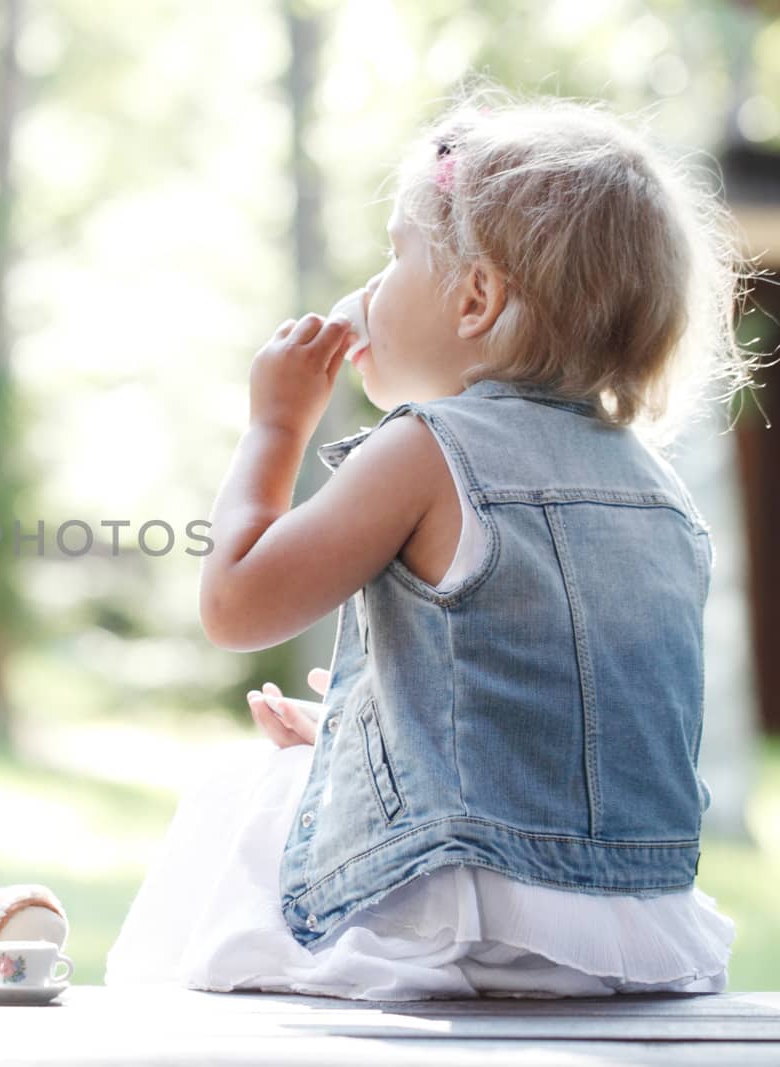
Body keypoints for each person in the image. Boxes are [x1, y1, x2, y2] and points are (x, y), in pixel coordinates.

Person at [105, 85, 759, 1000]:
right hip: (632, 925)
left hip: (464, 916)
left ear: (478, 297)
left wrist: (275, 427)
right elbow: (567, 710)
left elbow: (235, 602)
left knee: (240, 795)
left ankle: (153, 1029)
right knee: (304, 774)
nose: (368, 293)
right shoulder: (658, 487)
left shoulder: (423, 446)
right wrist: (371, 724)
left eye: (393, 258)